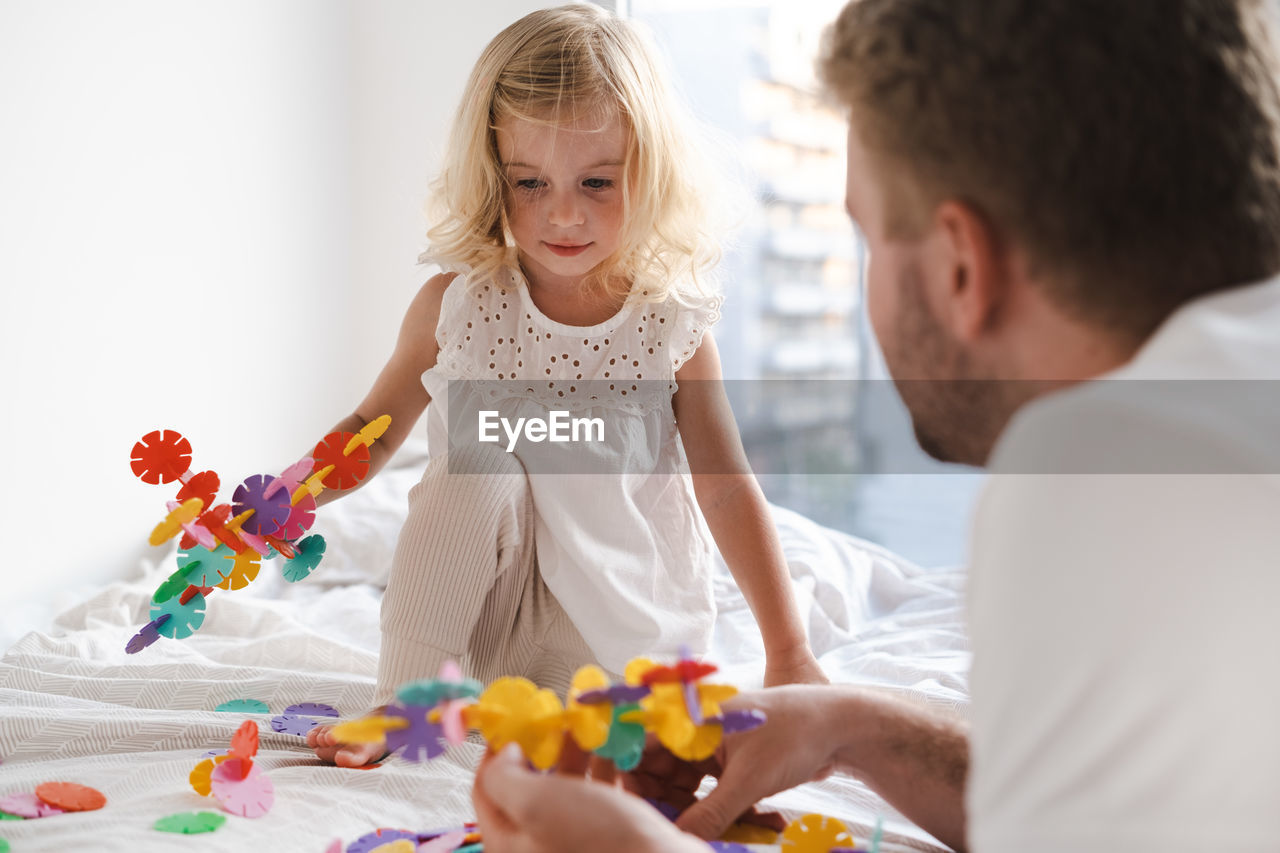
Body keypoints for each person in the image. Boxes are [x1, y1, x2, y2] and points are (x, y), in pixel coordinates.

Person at [469, 0, 1280, 850]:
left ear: (962, 263)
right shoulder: (1220, 416)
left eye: (868, 236)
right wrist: (852, 726)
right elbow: (1121, 804)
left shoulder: (1105, 470)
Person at [307, 3, 827, 767]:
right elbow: (372, 427)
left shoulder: (669, 326)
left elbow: (725, 487)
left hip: (624, 637)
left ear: (648, 172)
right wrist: (284, 499)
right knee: (472, 461)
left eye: (595, 181)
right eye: (529, 180)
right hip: (493, 639)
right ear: (492, 173)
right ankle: (405, 706)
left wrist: (787, 650)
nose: (562, 213)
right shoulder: (460, 306)